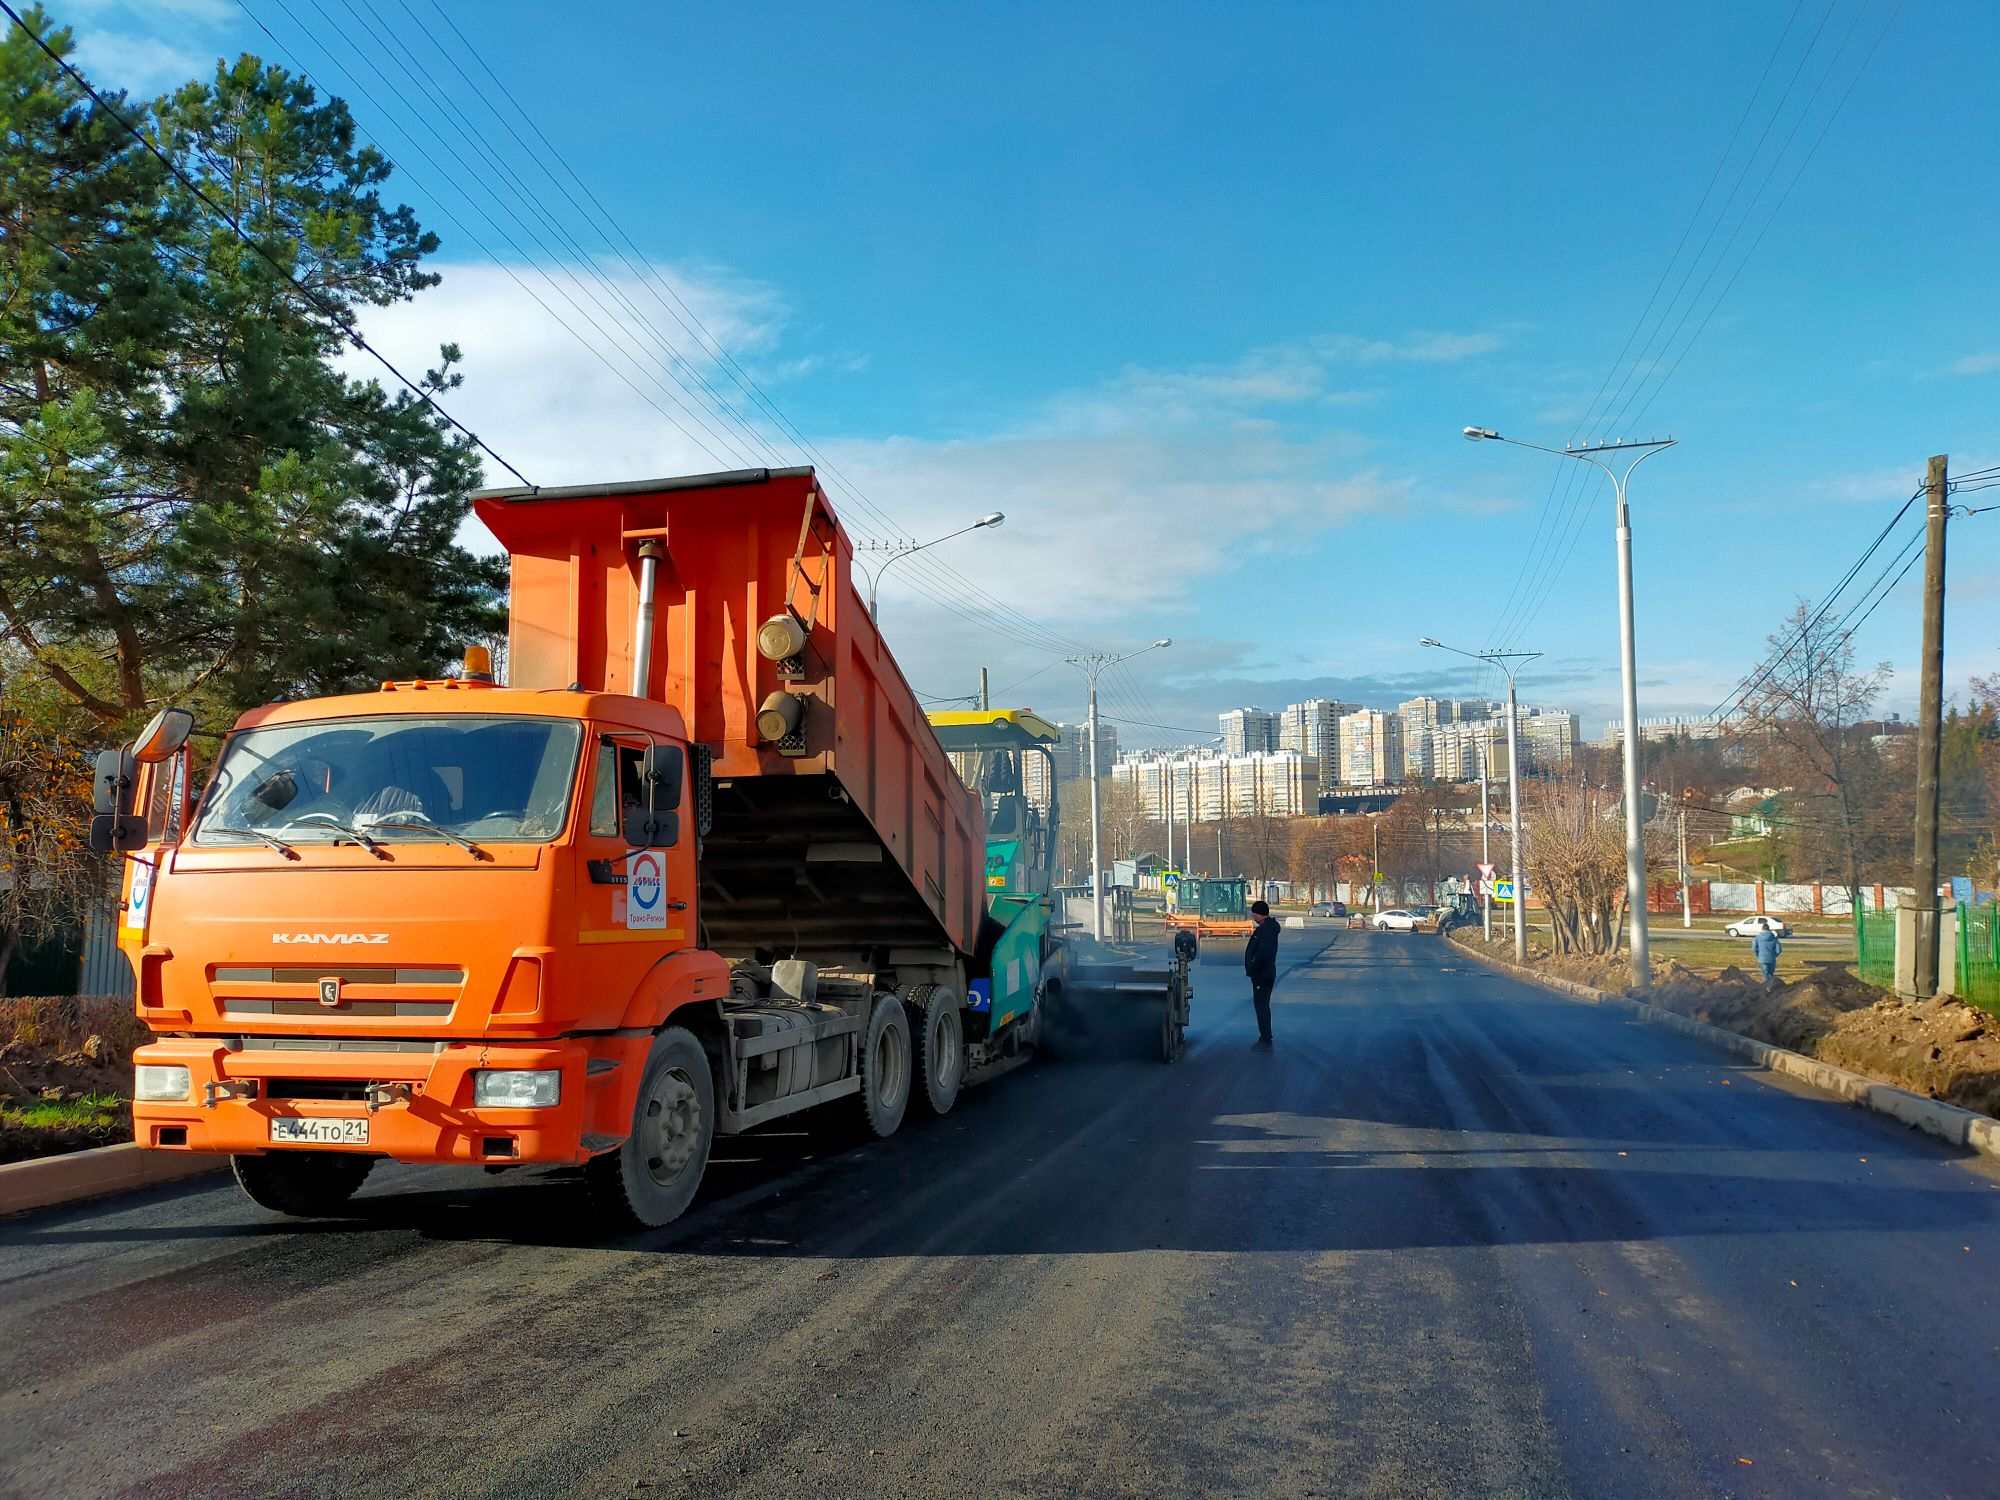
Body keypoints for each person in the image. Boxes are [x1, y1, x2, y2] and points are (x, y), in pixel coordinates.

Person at [1244, 899, 1279, 1048]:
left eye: (1254, 913)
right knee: (1262, 1005)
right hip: (1265, 973)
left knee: (1261, 1006)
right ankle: (1265, 1034)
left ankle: (1265, 1037)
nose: (1252, 916)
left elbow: (1263, 954)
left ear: (1259, 914)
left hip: (1262, 975)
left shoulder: (1265, 931)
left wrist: (1253, 967)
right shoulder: (1268, 928)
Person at [1751, 919, 1782, 985]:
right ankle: (1771, 988)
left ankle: (1767, 988)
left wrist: (1758, 955)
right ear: (1769, 929)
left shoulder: (1757, 938)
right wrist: (1774, 955)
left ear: (1762, 929)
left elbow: (1754, 949)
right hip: (1772, 959)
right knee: (1770, 975)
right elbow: (1779, 950)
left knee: (1765, 975)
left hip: (1762, 958)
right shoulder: (1774, 938)